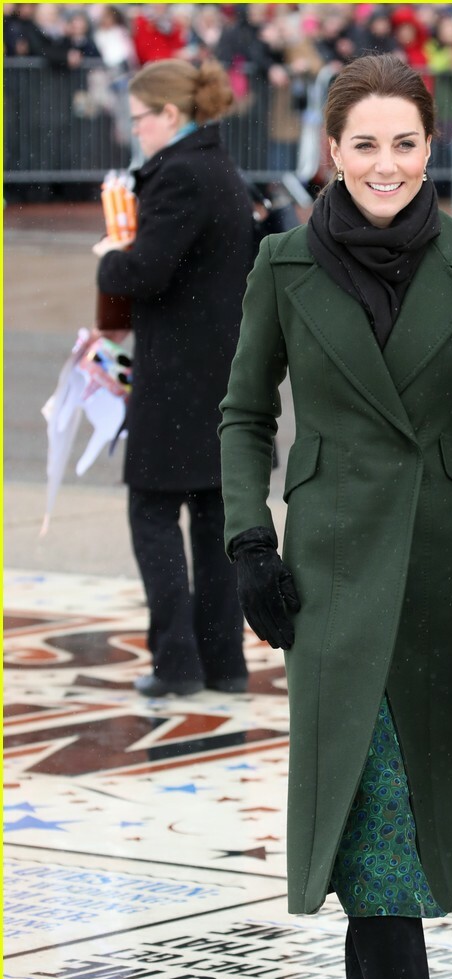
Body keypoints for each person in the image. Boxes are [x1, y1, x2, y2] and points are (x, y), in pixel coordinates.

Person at [218, 52, 452, 979]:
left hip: (441, 571)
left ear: (430, 146)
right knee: (372, 810)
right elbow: (243, 413)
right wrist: (248, 542)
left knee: (398, 821)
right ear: (331, 151)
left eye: (405, 143)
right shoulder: (280, 262)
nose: (386, 163)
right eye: (365, 144)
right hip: (328, 573)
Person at [94, 59, 254, 697]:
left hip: (180, 378)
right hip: (222, 373)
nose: (135, 130)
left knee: (153, 513)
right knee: (214, 522)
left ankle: (178, 663)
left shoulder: (181, 174)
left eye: (140, 118)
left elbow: (147, 271)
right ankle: (224, 662)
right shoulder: (218, 167)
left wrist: (111, 260)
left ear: (169, 114)